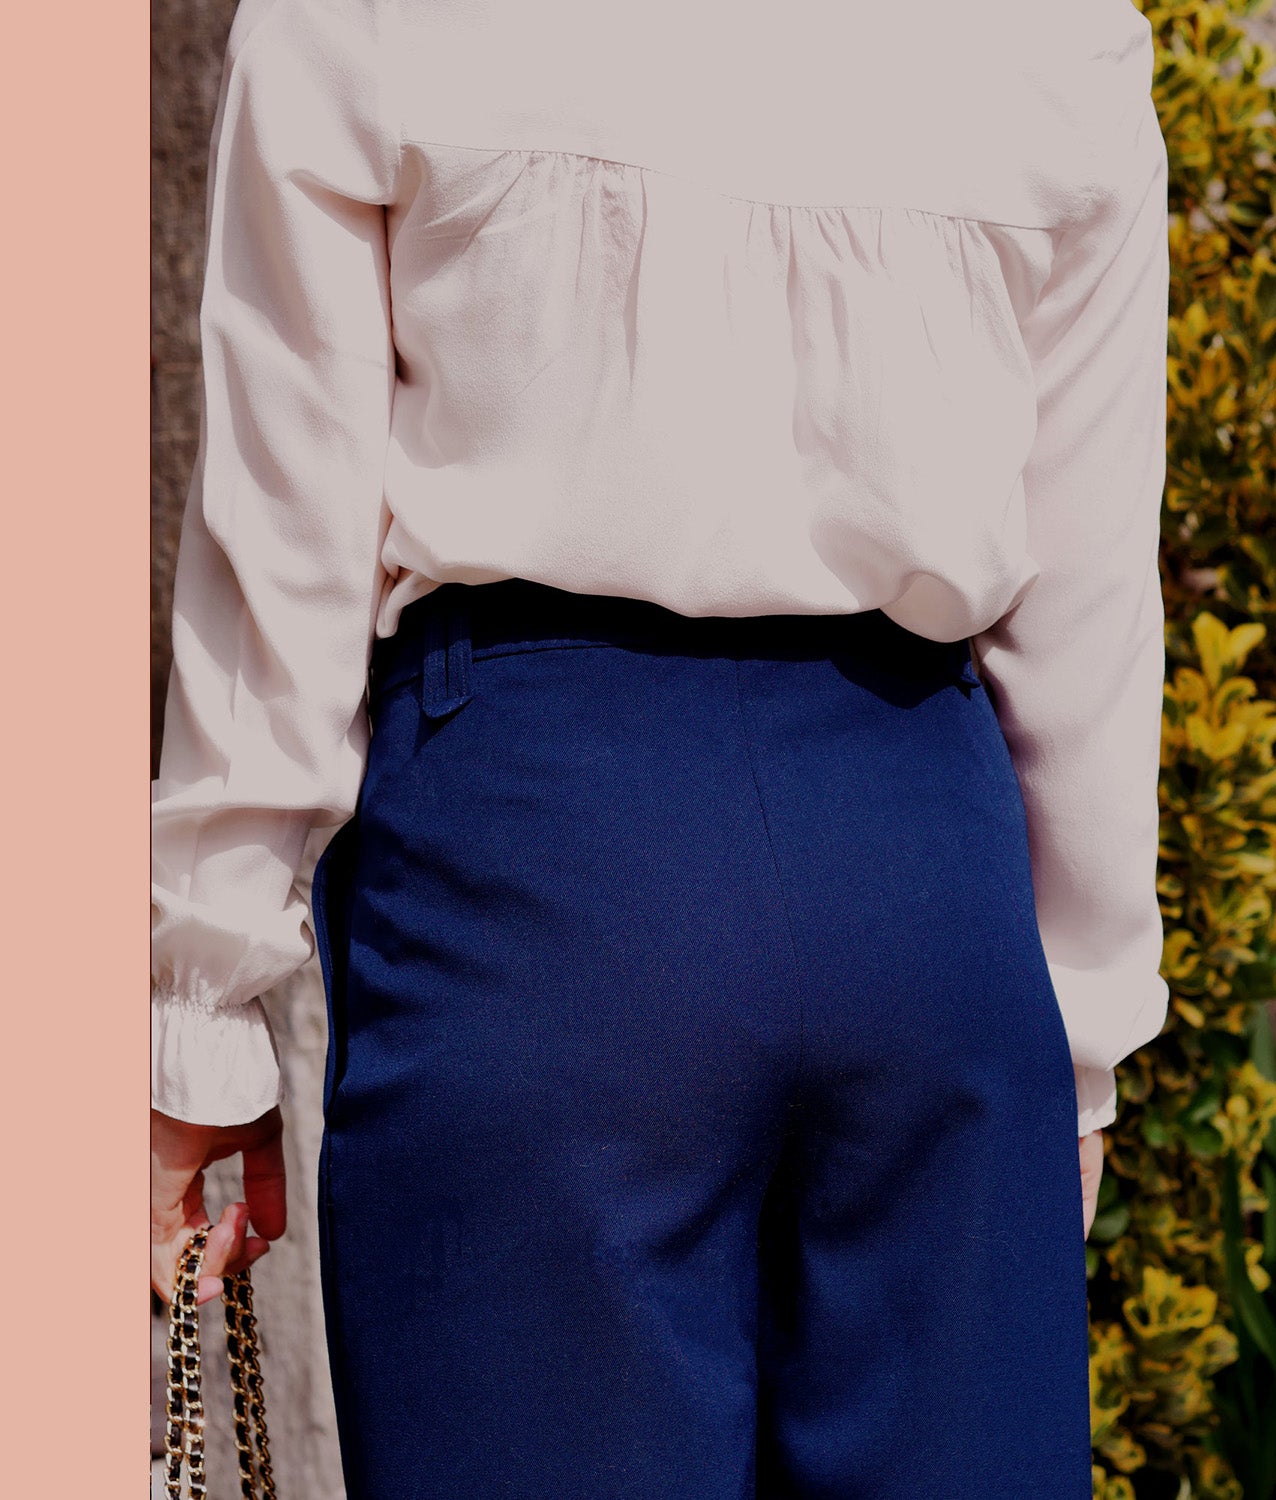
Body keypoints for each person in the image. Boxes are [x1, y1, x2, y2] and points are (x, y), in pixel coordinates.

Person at [149, 0, 1170, 1493]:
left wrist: (202, 1004)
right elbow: (1088, 592)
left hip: (545, 870)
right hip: (925, 867)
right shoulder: (1061, 34)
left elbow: (286, 525)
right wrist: (1073, 1042)